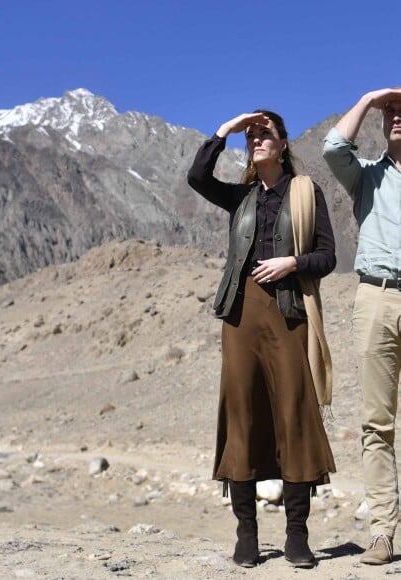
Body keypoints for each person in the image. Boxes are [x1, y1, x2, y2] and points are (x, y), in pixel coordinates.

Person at [187, 110, 336, 569]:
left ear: (283, 144)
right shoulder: (240, 197)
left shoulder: (306, 193)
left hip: (289, 312)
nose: (255, 140)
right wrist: (225, 131)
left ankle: (296, 537)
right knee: (242, 416)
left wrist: (292, 263)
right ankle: (246, 535)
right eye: (250, 136)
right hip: (241, 313)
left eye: (263, 133)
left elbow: (328, 256)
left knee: (293, 413)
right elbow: (196, 176)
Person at [323, 87, 401, 566]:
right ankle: (382, 533)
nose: (396, 116)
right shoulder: (367, 178)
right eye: (390, 112)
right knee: (377, 424)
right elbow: (333, 147)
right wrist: (372, 97)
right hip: (376, 296)